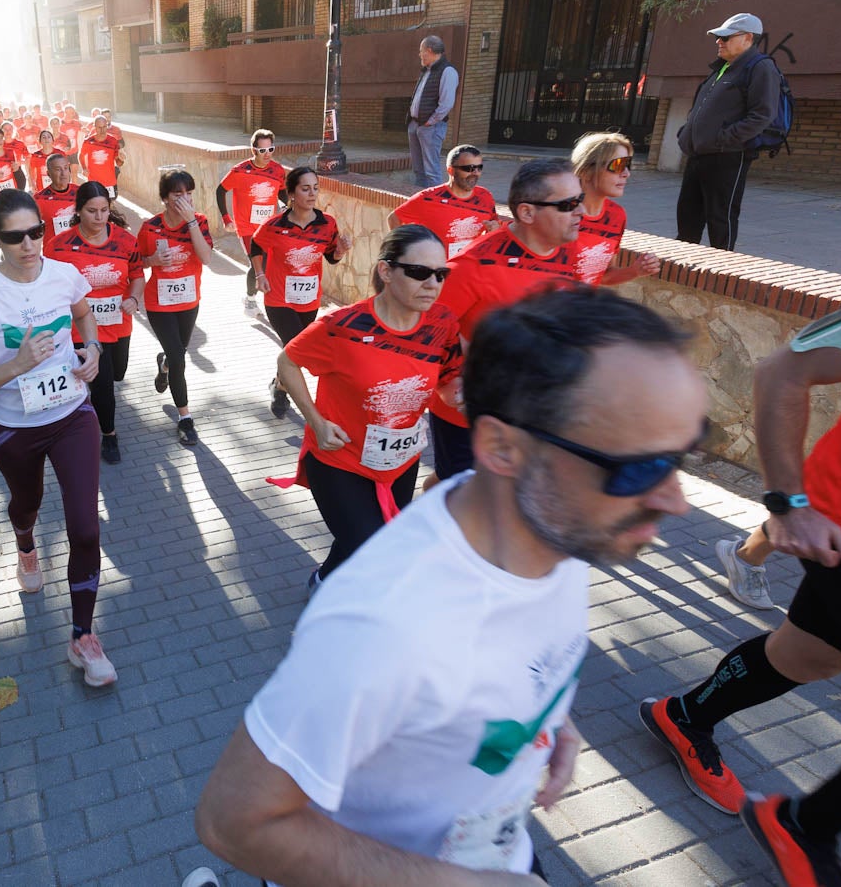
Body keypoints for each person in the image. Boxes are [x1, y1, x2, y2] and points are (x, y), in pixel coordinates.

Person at [197, 285, 707, 886]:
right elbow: (235, 821)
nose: (677, 501)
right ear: (502, 448)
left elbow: (510, 667)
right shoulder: (383, 624)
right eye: (638, 469)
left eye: (684, 455)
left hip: (494, 845)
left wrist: (549, 725)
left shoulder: (564, 529)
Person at [641, 262, 841, 887]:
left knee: (809, 657)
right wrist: (788, 503)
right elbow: (784, 370)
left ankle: (685, 715)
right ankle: (804, 826)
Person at [0, 189, 116, 687]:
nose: (29, 245)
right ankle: (25, 543)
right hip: (16, 430)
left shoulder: (64, 274)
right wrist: (17, 364)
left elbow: (85, 314)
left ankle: (83, 637)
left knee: (85, 527)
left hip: (71, 416)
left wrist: (92, 351)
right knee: (27, 502)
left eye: (36, 232)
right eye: (15, 237)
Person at [274, 224, 461, 585]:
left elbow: (450, 381)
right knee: (370, 544)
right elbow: (287, 362)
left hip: (399, 459)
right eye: (420, 272)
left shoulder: (442, 323)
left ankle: (326, 578)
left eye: (441, 274)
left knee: (371, 539)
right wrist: (314, 420)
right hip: (340, 458)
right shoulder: (341, 326)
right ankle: (331, 595)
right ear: (386, 271)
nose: (433, 284)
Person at [429, 159, 583, 482]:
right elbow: (430, 326)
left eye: (579, 200)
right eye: (568, 205)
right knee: (470, 502)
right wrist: (450, 383)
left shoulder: (567, 253)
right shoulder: (473, 264)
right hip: (470, 419)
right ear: (527, 213)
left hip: (528, 412)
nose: (581, 212)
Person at [47, 180, 143, 465]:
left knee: (117, 374)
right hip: (80, 327)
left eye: (104, 210)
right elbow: (47, 282)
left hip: (118, 322)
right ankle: (109, 435)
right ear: (78, 211)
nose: (99, 217)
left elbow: (137, 275)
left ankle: (94, 401)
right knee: (102, 384)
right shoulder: (60, 246)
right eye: (92, 211)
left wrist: (135, 299)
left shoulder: (125, 241)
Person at [248, 166, 351, 418]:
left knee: (293, 351)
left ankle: (279, 384)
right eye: (305, 188)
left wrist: (340, 251)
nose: (312, 193)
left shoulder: (327, 223)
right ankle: (301, 404)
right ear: (292, 193)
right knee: (296, 349)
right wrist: (260, 274)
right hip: (279, 298)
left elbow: (331, 256)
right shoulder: (275, 224)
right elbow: (256, 245)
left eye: (315, 188)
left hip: (308, 299)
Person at [674, 12, 780, 251]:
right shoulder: (723, 68)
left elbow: (762, 115)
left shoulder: (761, 68)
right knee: (687, 219)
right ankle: (681, 271)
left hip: (727, 156)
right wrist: (686, 133)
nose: (718, 41)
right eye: (718, 37)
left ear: (748, 38)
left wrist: (723, 139)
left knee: (720, 222)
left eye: (726, 37)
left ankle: (721, 275)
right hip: (698, 154)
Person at [135, 169, 214, 447]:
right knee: (180, 358)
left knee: (176, 353)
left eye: (189, 194)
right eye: (178, 194)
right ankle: (185, 418)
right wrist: (152, 260)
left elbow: (205, 258)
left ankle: (165, 363)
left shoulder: (200, 222)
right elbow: (138, 262)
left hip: (189, 301)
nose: (185, 199)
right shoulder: (150, 226)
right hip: (159, 303)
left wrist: (191, 221)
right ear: (166, 198)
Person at [569, 132, 661, 286]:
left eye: (628, 165)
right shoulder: (557, 211)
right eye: (618, 165)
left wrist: (636, 270)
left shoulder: (616, 216)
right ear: (586, 171)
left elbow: (603, 275)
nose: (626, 173)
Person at [388, 144, 501, 259]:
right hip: (436, 271)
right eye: (469, 168)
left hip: (467, 269)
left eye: (479, 168)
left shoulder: (485, 196)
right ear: (451, 170)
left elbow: (494, 226)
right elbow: (394, 218)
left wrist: (494, 230)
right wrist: (405, 252)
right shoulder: (428, 198)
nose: (475, 173)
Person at [218, 128, 288, 314]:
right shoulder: (239, 171)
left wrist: (288, 206)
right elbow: (221, 190)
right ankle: (250, 300)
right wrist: (226, 218)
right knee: (258, 262)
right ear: (254, 150)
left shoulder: (278, 170)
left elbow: (281, 191)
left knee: (270, 262)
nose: (267, 154)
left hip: (268, 226)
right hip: (246, 227)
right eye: (262, 150)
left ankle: (257, 296)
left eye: (271, 149)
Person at [407, 35, 458, 189]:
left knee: (431, 171)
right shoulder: (426, 71)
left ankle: (435, 203)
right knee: (418, 169)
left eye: (421, 51)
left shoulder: (448, 71)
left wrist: (430, 122)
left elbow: (446, 104)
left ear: (429, 50)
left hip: (431, 127)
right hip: (416, 125)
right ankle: (420, 200)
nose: (419, 54)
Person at [34, 153, 79, 254]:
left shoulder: (81, 193)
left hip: (77, 253)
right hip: (53, 255)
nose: (63, 173)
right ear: (48, 173)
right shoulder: (38, 199)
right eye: (58, 169)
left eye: (66, 168)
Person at [78, 116, 122, 197]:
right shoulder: (88, 141)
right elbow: (81, 155)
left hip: (109, 181)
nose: (102, 130)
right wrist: (84, 168)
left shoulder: (113, 141)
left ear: (107, 126)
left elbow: (118, 163)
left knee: (109, 205)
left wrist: (121, 159)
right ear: (94, 126)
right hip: (93, 181)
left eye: (104, 127)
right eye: (99, 127)